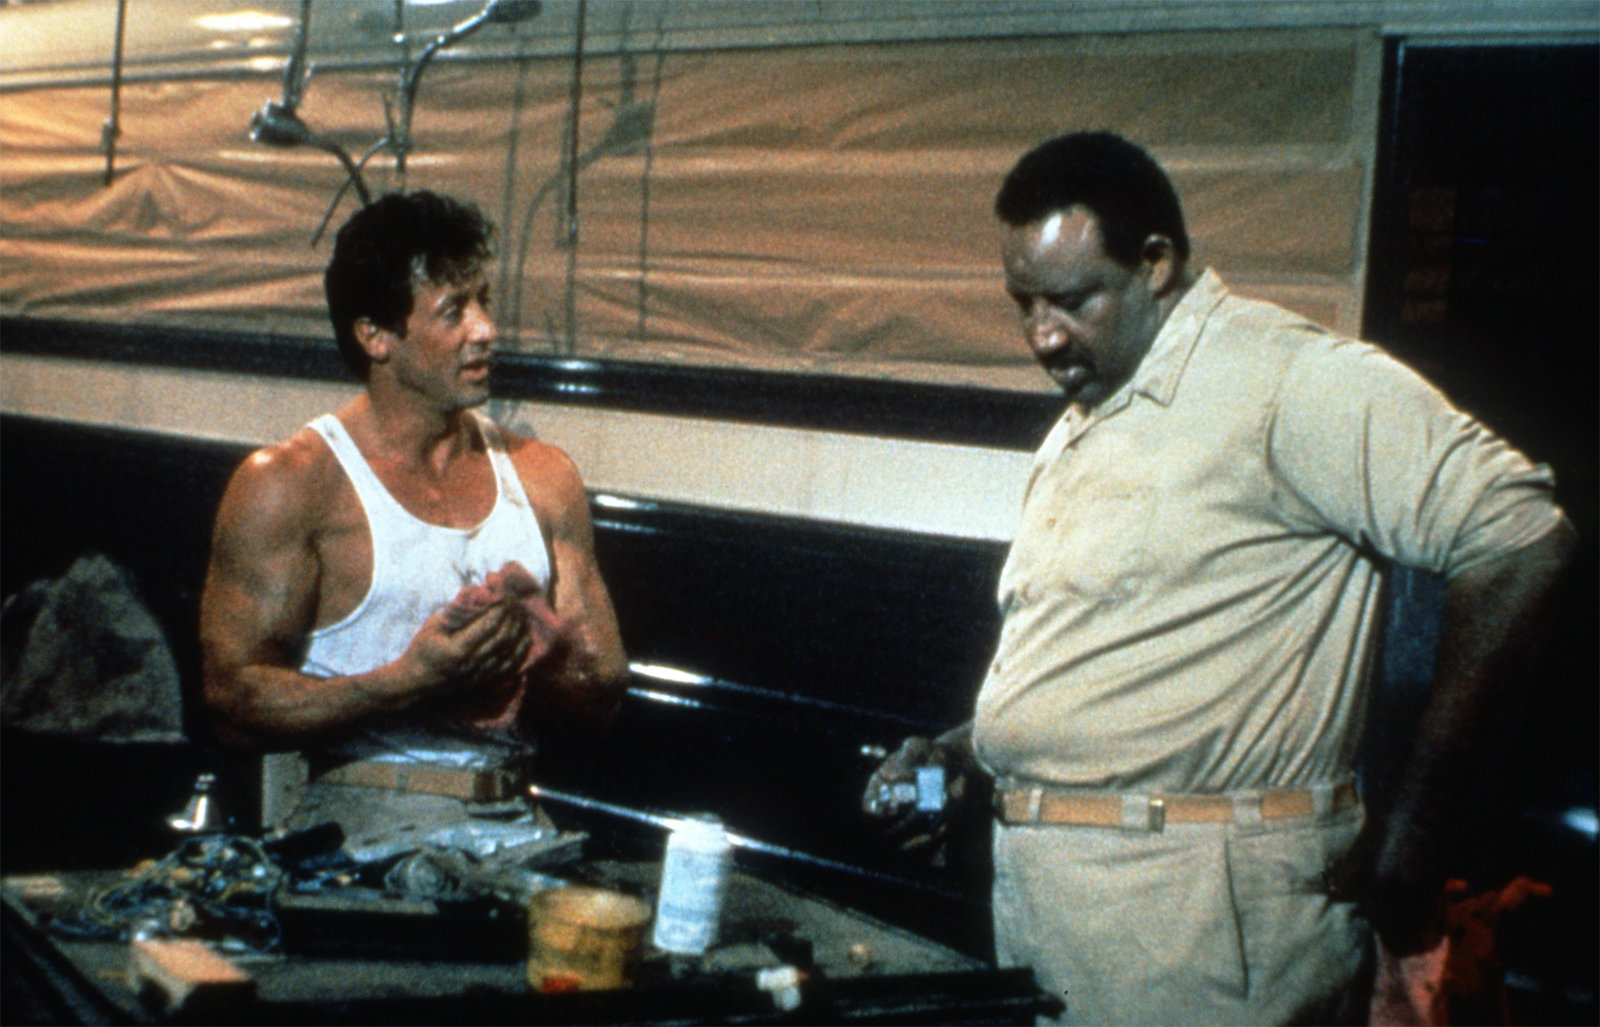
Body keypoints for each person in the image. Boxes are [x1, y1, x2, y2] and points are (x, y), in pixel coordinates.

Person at [863, 132, 1574, 1024]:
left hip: (1199, 938)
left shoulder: (1287, 381)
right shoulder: (1091, 417)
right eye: (1024, 303)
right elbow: (1119, 663)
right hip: (1064, 926)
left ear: (1156, 262)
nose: (1042, 334)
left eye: (1074, 299)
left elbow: (1521, 541)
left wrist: (1417, 828)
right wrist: (963, 753)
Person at [200, 190, 628, 853]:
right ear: (376, 335)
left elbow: (603, 697)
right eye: (454, 311)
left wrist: (532, 655)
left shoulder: (544, 477)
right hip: (361, 821)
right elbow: (232, 702)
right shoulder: (291, 482)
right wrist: (411, 681)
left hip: (515, 822)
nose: (485, 329)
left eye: (484, 301)